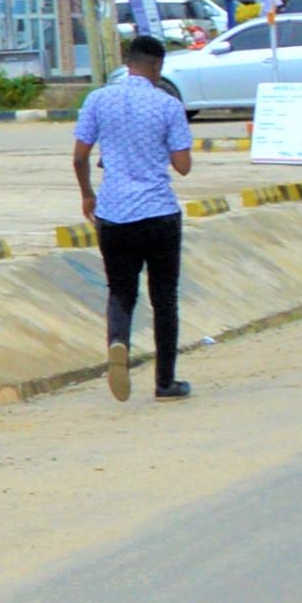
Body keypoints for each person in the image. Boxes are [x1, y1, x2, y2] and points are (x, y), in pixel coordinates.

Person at [71, 31, 196, 399]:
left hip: (113, 213)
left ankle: (118, 341)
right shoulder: (167, 105)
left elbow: (79, 157)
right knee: (165, 299)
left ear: (128, 63)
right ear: (156, 66)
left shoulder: (98, 100)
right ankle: (165, 381)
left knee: (121, 292)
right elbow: (183, 165)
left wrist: (88, 194)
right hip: (159, 214)